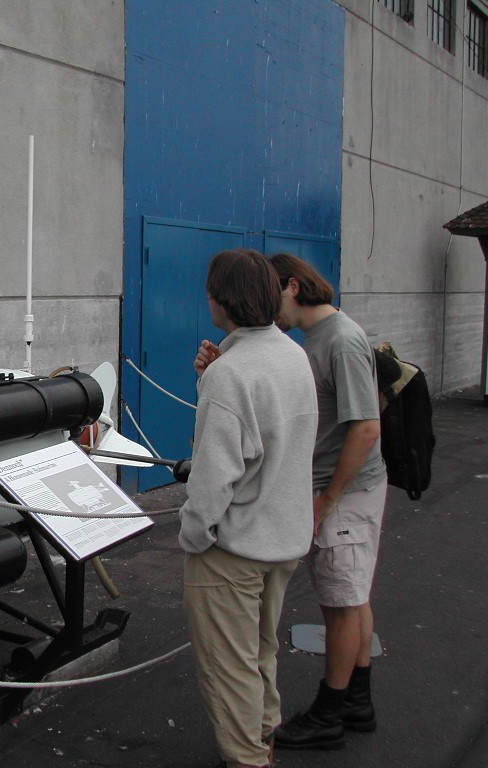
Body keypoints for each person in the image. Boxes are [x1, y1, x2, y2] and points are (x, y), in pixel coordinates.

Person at [180, 249, 318, 768]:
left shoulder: (231, 374)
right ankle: (264, 738)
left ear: (225, 298)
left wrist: (194, 536)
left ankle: (248, 758)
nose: (207, 297)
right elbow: (268, 434)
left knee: (227, 667)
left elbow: (214, 479)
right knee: (259, 655)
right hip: (282, 539)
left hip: (232, 550)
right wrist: (214, 377)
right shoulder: (291, 354)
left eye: (212, 289)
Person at [260, 253, 388, 750]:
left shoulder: (340, 339)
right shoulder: (315, 338)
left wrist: (327, 500)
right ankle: (357, 701)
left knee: (340, 604)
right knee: (352, 597)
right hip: (337, 490)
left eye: (271, 297)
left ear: (292, 286)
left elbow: (367, 427)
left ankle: (329, 712)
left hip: (344, 493)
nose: (269, 312)